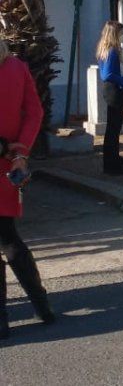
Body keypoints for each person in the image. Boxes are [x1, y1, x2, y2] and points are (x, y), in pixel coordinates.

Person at [0, 38, 56, 341]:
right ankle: (41, 305)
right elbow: (34, 113)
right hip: (9, 163)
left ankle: (2, 321)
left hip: (6, 157)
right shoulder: (17, 67)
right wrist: (20, 151)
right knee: (8, 237)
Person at [96, 21, 123, 175]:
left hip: (112, 90)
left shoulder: (107, 49)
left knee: (113, 129)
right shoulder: (111, 51)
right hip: (113, 90)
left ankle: (112, 162)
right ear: (115, 34)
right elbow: (107, 74)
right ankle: (113, 165)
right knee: (113, 129)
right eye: (121, 33)